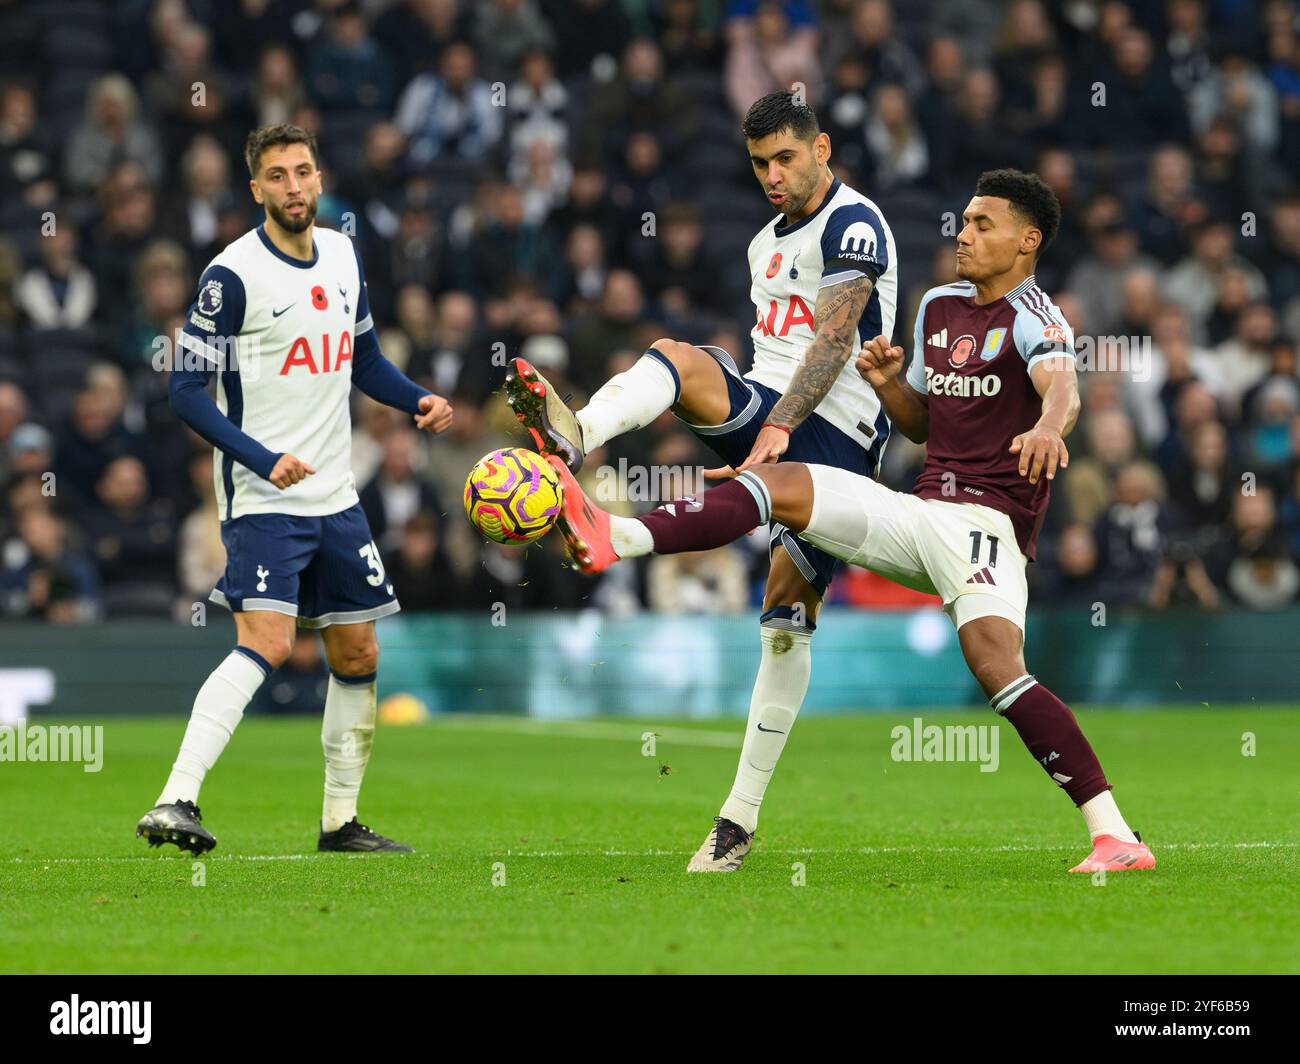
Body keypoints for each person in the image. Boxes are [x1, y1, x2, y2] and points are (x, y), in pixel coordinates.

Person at [546, 169, 1155, 876]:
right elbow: (926, 426)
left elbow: (1064, 390)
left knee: (998, 669)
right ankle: (617, 536)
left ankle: (1114, 834)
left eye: (983, 224)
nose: (963, 232)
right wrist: (892, 385)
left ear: (1028, 240)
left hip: (989, 530)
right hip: (921, 512)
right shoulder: (938, 307)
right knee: (780, 486)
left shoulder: (1036, 316)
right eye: (963, 219)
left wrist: (1050, 427)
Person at [505, 90, 898, 872]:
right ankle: (575, 432)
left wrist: (779, 427)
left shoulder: (855, 221)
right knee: (681, 359)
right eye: (759, 164)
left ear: (821, 150)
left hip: (840, 437)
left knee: (784, 616)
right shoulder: (762, 247)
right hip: (771, 413)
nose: (772, 176)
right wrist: (760, 424)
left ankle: (738, 819)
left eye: (786, 157)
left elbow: (833, 337)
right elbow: (774, 358)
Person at [135, 124, 453, 855]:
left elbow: (364, 359)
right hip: (263, 496)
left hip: (336, 496)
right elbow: (185, 393)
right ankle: (175, 797)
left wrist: (416, 401)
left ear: (319, 176)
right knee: (270, 641)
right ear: (256, 190)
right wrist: (261, 456)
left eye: (303, 171)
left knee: (359, 654)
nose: (293, 187)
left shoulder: (342, 252)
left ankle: (339, 824)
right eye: (276, 176)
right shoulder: (230, 276)